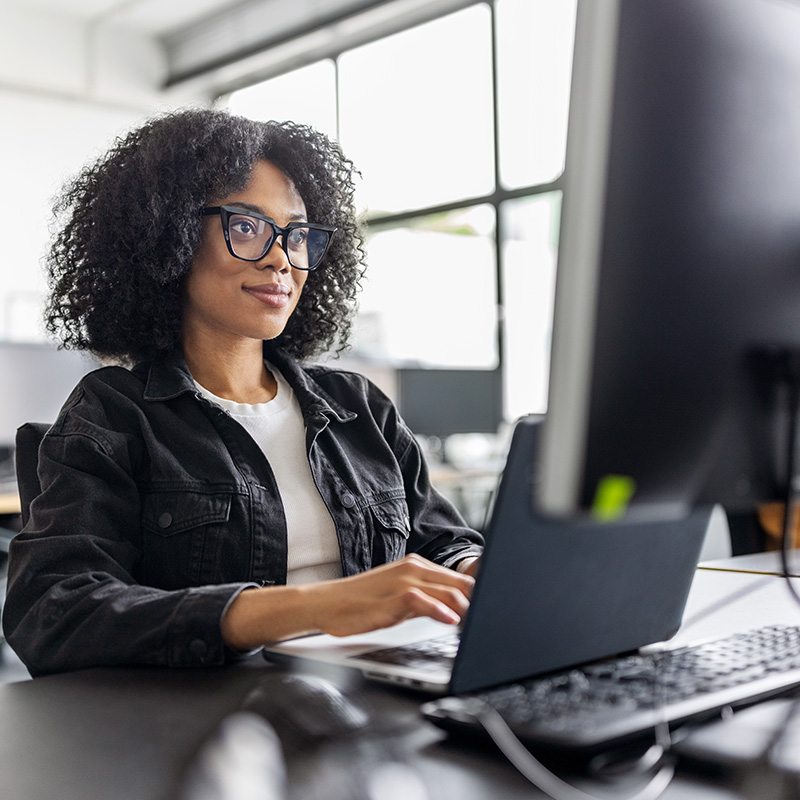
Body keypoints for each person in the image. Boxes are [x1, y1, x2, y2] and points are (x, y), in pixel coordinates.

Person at [2, 108, 483, 676]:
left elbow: (441, 542)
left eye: (297, 234)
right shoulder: (113, 415)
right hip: (212, 732)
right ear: (170, 239)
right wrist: (307, 607)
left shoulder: (359, 407)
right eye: (248, 226)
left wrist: (477, 569)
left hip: (378, 703)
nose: (282, 258)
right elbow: (54, 612)